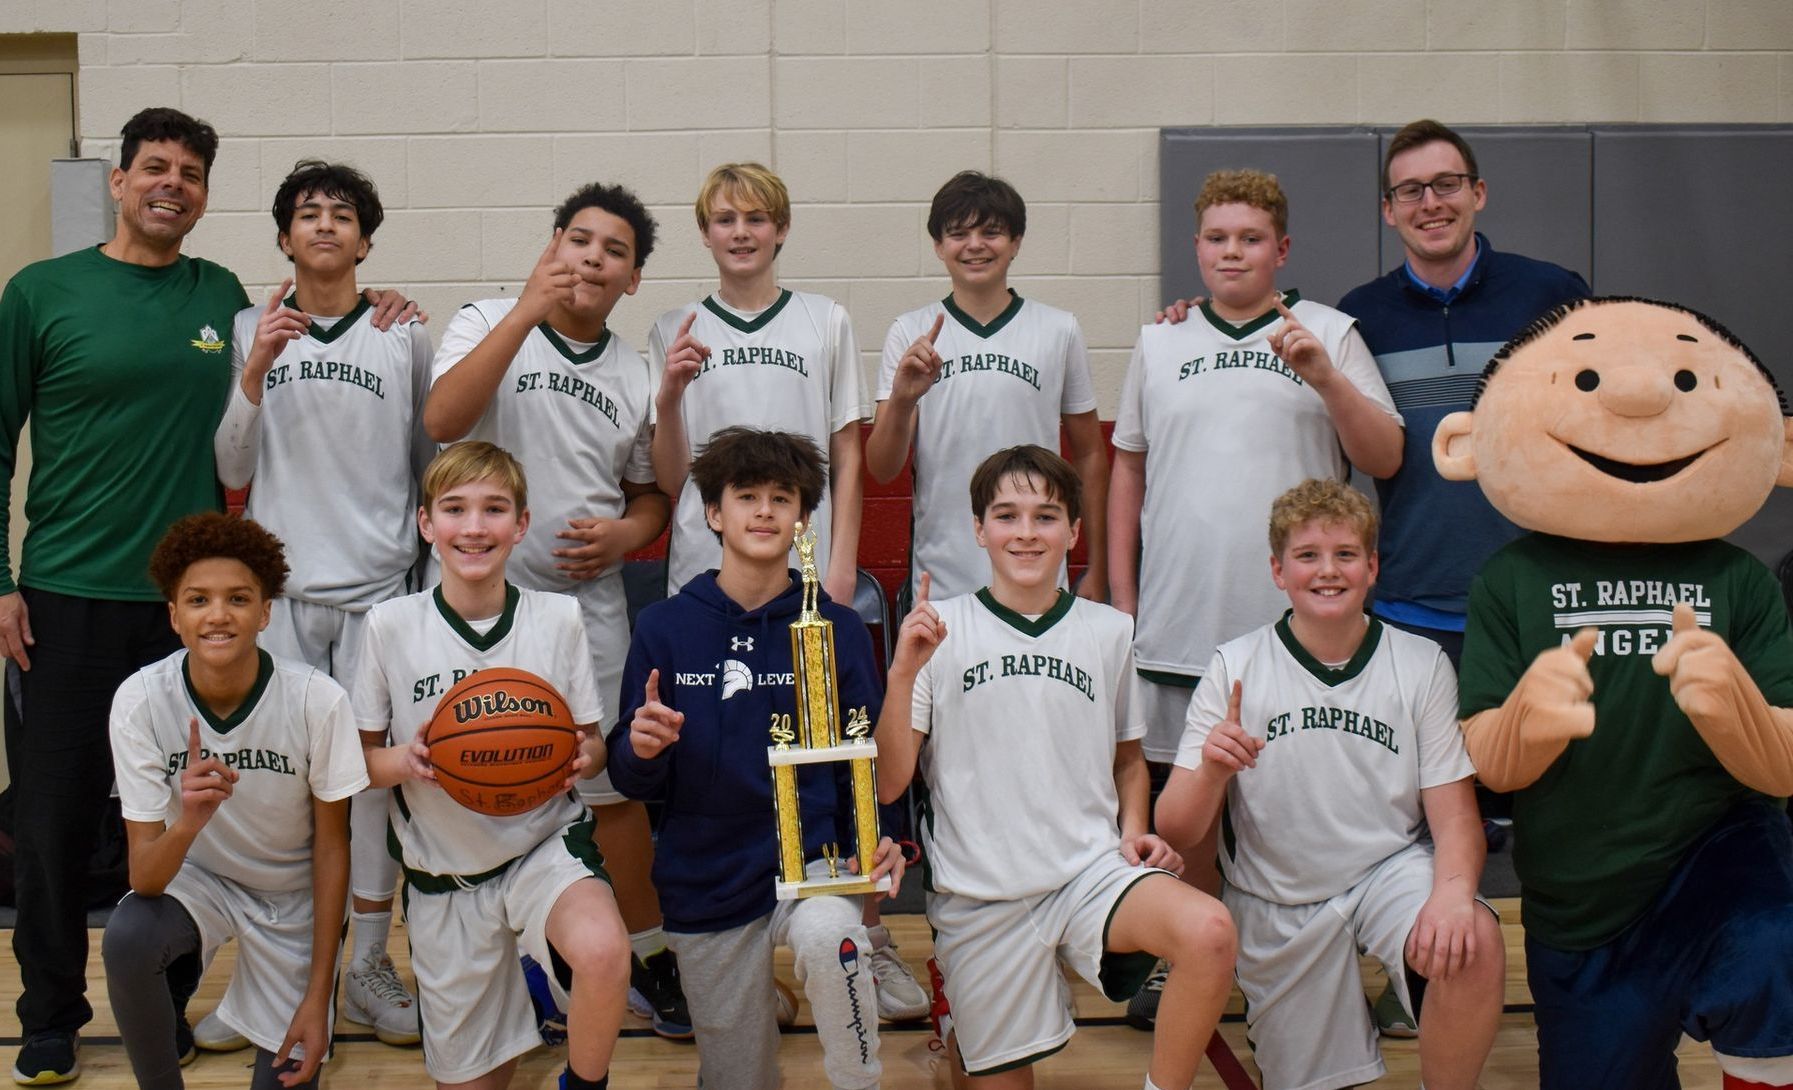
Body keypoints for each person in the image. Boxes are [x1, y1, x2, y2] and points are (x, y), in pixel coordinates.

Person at [0, 106, 414, 1084]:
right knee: (56, 817)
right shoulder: (40, 293)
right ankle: (51, 1014)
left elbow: (301, 351)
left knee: (209, 806)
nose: (169, 184)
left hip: (198, 607)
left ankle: (174, 996)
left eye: (189, 173)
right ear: (118, 179)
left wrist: (387, 304)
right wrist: (1, 580)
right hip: (65, 589)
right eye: (153, 168)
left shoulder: (222, 297)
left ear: (203, 194)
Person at [1439, 297, 1793, 1090]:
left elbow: (1784, 771)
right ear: (1463, 446)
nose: (1637, 400)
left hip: (1714, 853)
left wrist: (1739, 718)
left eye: (1681, 378)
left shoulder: (1737, 579)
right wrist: (1525, 725)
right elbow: (1490, 767)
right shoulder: (1509, 579)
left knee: (1776, 953)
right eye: (1590, 375)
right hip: (1579, 896)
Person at [646, 161, 922, 1025]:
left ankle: (861, 943)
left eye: (756, 218)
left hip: (806, 573)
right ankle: (725, 952)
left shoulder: (824, 319)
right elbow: (667, 476)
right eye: (724, 218)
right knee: (717, 768)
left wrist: (840, 562)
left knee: (837, 757)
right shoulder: (674, 325)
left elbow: (848, 450)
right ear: (703, 233)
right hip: (707, 574)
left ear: (781, 229)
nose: (740, 231)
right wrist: (669, 394)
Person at [876, 444, 1236, 1090]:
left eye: (1044, 517)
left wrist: (1132, 829)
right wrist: (902, 673)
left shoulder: (1108, 632)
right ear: (978, 529)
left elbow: (1128, 760)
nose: (1025, 533)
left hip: (1087, 875)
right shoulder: (938, 629)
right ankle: (962, 1032)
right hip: (982, 895)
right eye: (1006, 516)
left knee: (1209, 930)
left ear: (1073, 531)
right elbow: (889, 781)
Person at [421, 182, 689, 1037]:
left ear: (632, 278)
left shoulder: (633, 368)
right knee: (470, 776)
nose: (592, 258)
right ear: (552, 245)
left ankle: (648, 954)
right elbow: (443, 420)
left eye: (613, 251)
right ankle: (502, 966)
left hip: (583, 610)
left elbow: (653, 496)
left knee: (606, 792)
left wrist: (625, 535)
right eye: (579, 240)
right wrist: (526, 312)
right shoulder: (485, 319)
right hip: (473, 606)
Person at [1155, 478, 1503, 1090]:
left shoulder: (1420, 663)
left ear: (1372, 567)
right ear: (1277, 570)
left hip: (1387, 872)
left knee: (1472, 938)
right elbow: (1177, 830)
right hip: (1277, 894)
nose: (1327, 571)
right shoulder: (1235, 665)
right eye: (1308, 556)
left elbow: (1454, 819)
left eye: (1345, 555)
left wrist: (1452, 894)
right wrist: (1211, 770)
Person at [207, 158, 430, 1051]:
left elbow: (428, 462)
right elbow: (232, 467)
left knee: (371, 792)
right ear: (285, 237)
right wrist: (256, 364)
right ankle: (280, 982)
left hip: (380, 593)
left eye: (343, 214)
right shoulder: (244, 326)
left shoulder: (404, 331)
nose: (326, 225)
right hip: (288, 596)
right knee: (280, 791)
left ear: (366, 240)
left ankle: (370, 967)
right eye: (309, 213)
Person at [609, 426, 905, 1090]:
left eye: (783, 497)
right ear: (715, 513)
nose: (766, 511)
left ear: (803, 516)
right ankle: (753, 1004)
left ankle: (860, 1082)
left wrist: (883, 839)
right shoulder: (665, 628)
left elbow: (866, 760)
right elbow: (629, 779)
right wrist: (639, 745)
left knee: (835, 942)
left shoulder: (836, 629)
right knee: (737, 1078)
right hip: (707, 876)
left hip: (816, 865)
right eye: (747, 496)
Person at [353, 441, 628, 1089]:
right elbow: (360, 763)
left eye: (494, 509)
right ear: (426, 525)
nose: (473, 527)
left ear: (521, 524)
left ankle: (580, 1081)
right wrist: (409, 759)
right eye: (454, 509)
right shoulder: (390, 625)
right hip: (446, 873)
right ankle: (524, 989)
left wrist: (574, 757)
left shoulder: (558, 618)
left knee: (604, 950)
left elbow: (592, 744)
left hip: (543, 846)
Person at [101, 513, 364, 1090]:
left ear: (265, 611)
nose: (218, 614)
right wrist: (190, 820)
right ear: (175, 615)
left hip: (293, 893)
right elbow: (145, 877)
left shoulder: (318, 701)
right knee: (128, 937)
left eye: (238, 598)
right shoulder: (141, 700)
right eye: (198, 599)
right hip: (202, 880)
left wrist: (321, 997)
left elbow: (333, 849)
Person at [1333, 119, 1590, 661]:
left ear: (1478, 192)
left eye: (1447, 184)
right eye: (1411, 191)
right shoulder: (1359, 315)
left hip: (1541, 596)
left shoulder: (1553, 293)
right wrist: (1200, 313)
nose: (1430, 203)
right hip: (1411, 603)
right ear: (1389, 209)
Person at [865, 170, 1109, 604]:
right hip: (941, 582)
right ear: (939, 247)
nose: (975, 244)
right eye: (958, 233)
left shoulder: (1058, 329)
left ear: (1016, 242)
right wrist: (902, 400)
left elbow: (1090, 452)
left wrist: (1101, 567)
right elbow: (883, 469)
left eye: (991, 232)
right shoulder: (910, 332)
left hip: (1041, 575)